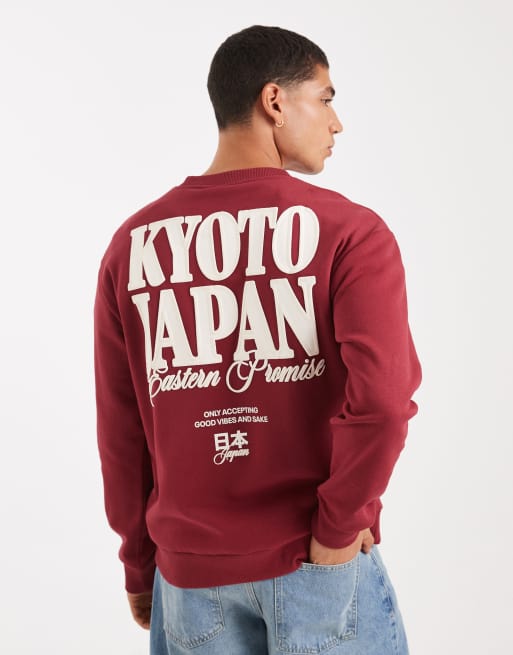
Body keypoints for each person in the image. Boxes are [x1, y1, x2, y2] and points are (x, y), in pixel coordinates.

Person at [94, 24, 422, 655]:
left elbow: (123, 428)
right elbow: (383, 401)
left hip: (188, 576)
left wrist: (140, 563)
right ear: (275, 101)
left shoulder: (132, 246)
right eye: (325, 99)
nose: (337, 122)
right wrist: (340, 526)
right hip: (317, 562)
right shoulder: (349, 232)